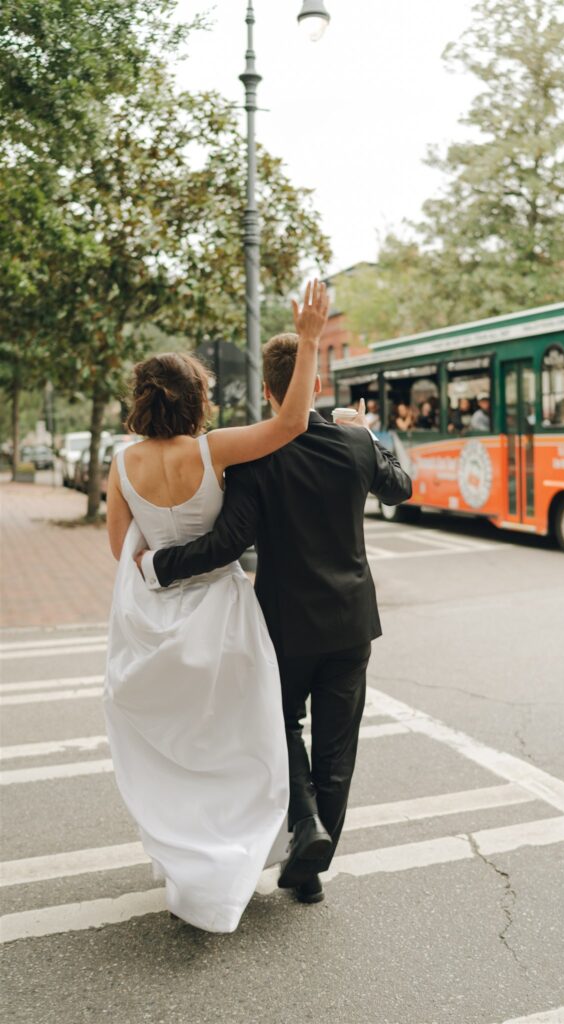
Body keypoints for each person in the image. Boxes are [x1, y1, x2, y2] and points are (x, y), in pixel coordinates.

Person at [135, 334, 412, 907]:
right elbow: (401, 488)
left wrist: (157, 565)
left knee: (282, 727)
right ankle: (311, 866)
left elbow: (229, 542)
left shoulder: (254, 457)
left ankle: (305, 821)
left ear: (266, 390)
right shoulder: (354, 444)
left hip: (285, 623)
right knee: (339, 746)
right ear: (314, 385)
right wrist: (367, 434)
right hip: (352, 621)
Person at [104, 280, 329, 933]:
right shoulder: (214, 448)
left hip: (158, 620)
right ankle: (238, 856)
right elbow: (290, 423)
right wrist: (309, 338)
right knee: (238, 740)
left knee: (181, 752)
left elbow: (123, 548)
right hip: (224, 614)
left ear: (141, 402)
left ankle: (188, 860)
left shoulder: (123, 464)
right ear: (199, 398)